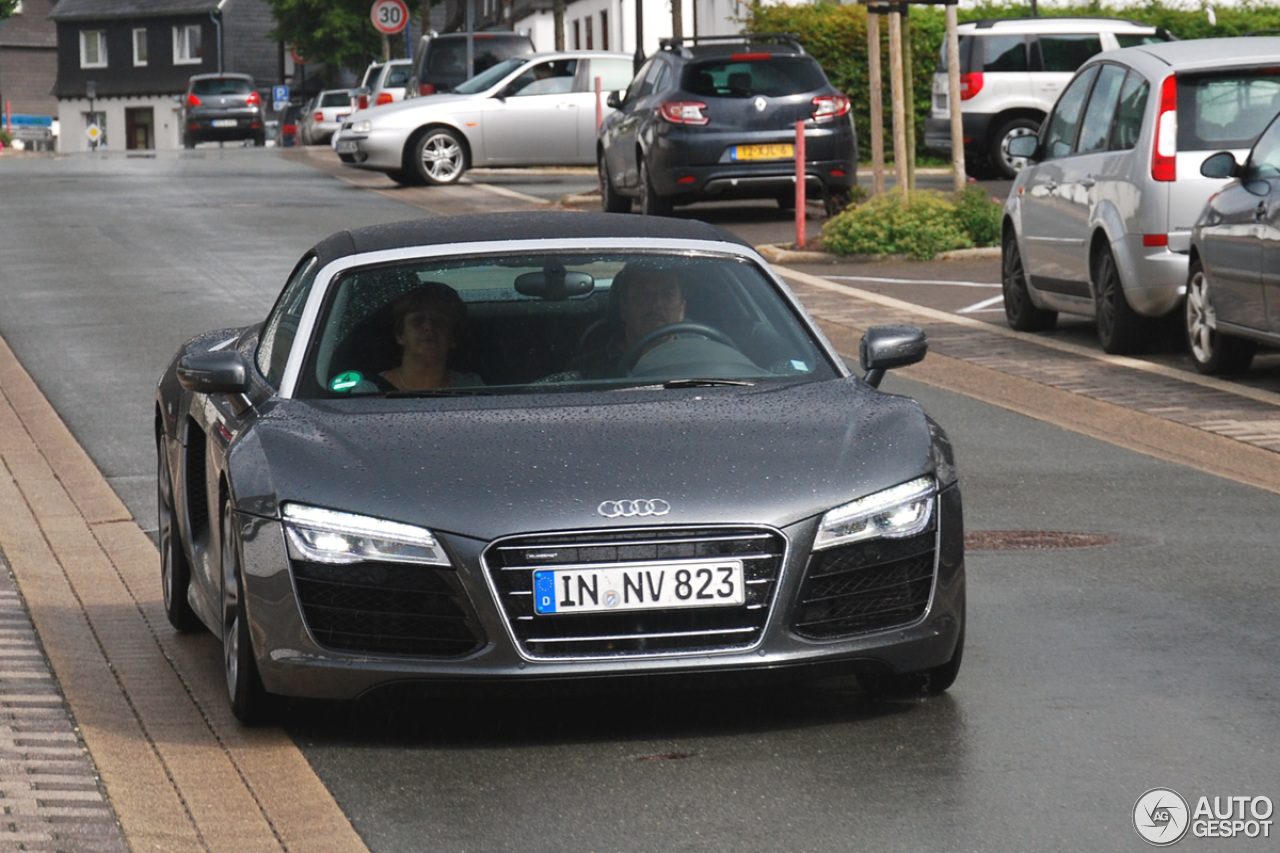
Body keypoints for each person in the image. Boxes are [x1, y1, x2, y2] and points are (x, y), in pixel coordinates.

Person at [569, 260, 688, 378]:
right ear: (624, 308)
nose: (656, 304)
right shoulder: (586, 371)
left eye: (667, 294)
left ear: (682, 309)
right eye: (644, 294)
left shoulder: (700, 361)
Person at [371, 282, 482, 390]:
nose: (429, 327)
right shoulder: (370, 390)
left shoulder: (471, 387)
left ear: (453, 338)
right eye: (418, 320)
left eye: (439, 321)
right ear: (400, 335)